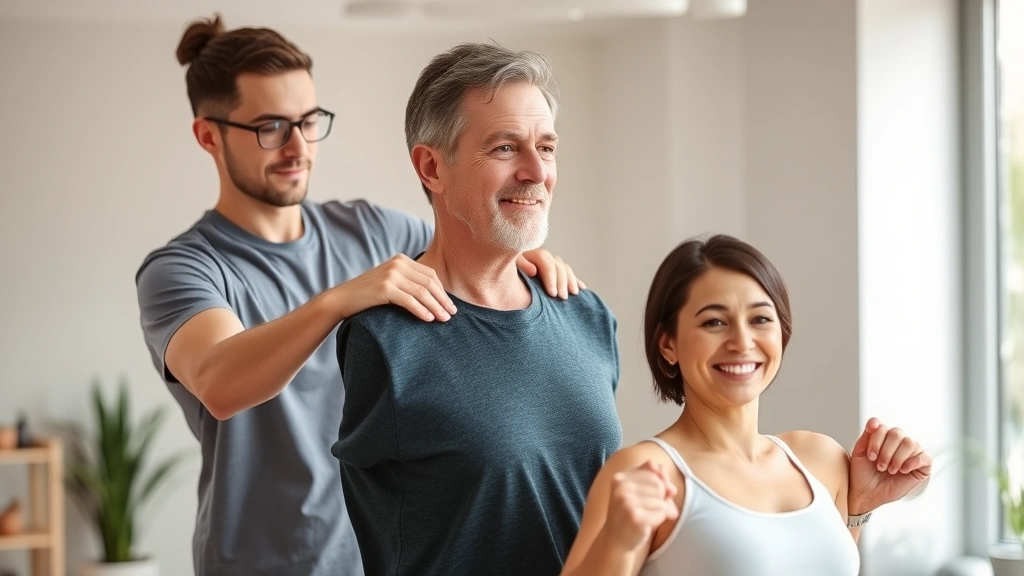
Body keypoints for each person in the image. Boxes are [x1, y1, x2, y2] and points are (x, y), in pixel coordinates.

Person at [134, 15, 582, 576]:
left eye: (308, 121)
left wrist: (524, 257)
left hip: (373, 559)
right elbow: (221, 384)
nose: (298, 146)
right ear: (209, 135)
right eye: (270, 126)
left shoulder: (370, 231)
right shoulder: (183, 268)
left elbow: (471, 244)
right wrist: (339, 300)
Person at [329, 42, 622, 576]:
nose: (537, 172)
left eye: (548, 147)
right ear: (432, 166)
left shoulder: (588, 316)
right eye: (506, 148)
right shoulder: (384, 338)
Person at [560, 234, 932, 576]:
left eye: (760, 319)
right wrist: (617, 541)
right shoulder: (648, 472)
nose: (742, 341)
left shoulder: (820, 459)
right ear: (668, 344)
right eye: (715, 322)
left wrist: (861, 506)